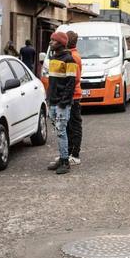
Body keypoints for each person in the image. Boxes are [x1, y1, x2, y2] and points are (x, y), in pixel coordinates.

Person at [46, 31, 77, 174]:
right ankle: (62, 157)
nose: (50, 43)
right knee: (58, 131)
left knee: (61, 131)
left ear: (60, 43)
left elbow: (71, 83)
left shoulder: (69, 59)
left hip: (61, 104)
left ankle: (65, 161)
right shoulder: (53, 58)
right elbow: (52, 82)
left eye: (53, 41)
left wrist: (63, 102)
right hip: (52, 102)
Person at [65, 31, 82, 165]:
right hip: (72, 95)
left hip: (73, 96)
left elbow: (74, 79)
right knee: (69, 126)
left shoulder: (73, 57)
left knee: (74, 126)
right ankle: (69, 152)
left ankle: (75, 154)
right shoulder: (72, 55)